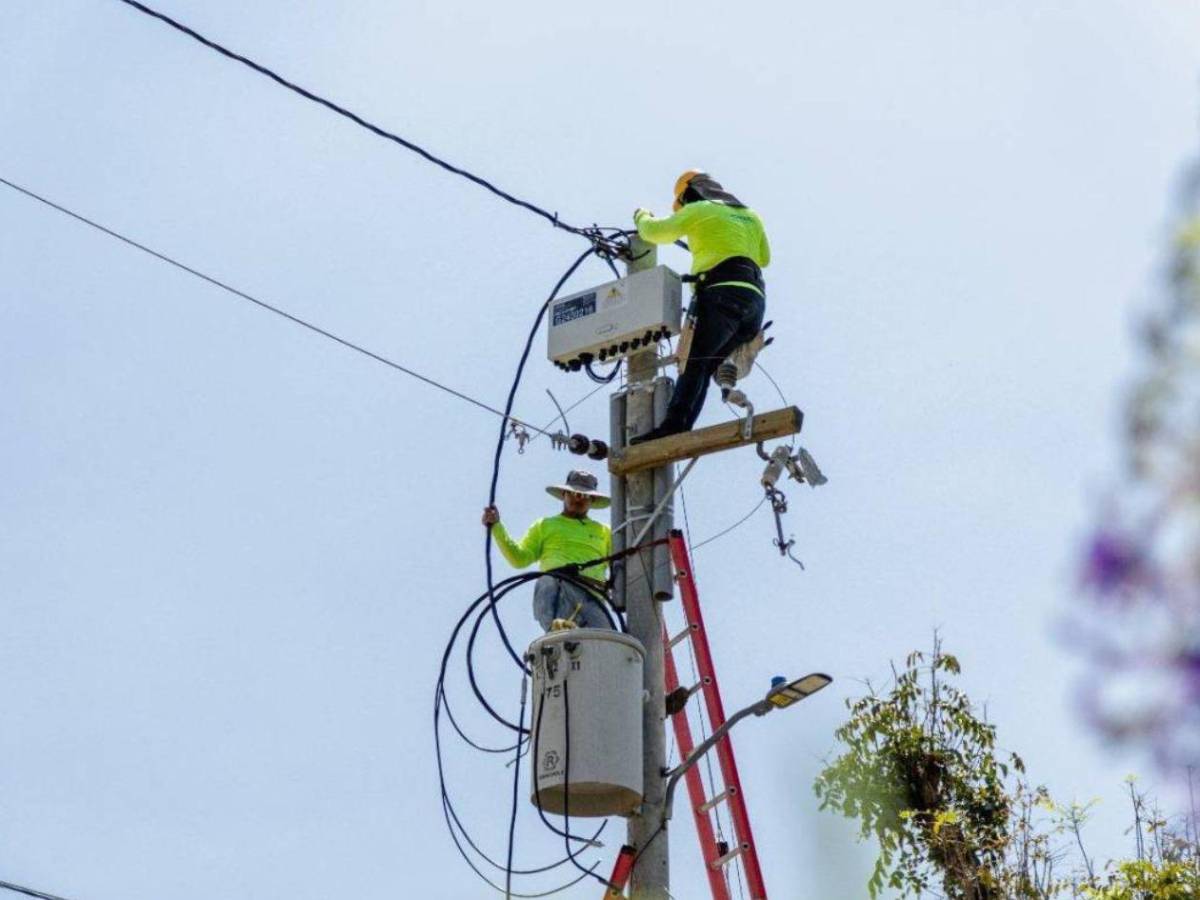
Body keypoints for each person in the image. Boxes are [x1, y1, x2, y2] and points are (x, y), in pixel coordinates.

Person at [629, 170, 771, 444]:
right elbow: (764, 258)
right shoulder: (751, 215)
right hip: (754, 303)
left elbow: (654, 232)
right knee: (704, 366)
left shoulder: (699, 209)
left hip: (721, 295)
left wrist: (641, 215)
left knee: (694, 363)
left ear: (688, 194)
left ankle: (674, 427)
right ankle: (680, 426)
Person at [482, 470, 614, 631]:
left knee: (605, 642)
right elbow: (519, 559)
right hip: (559, 588)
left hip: (593, 596)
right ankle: (555, 632)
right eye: (574, 493)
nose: (578, 498)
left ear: (592, 500)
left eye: (584, 495)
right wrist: (497, 527)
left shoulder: (604, 532)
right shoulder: (545, 525)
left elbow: (621, 566)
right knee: (547, 584)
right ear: (564, 494)